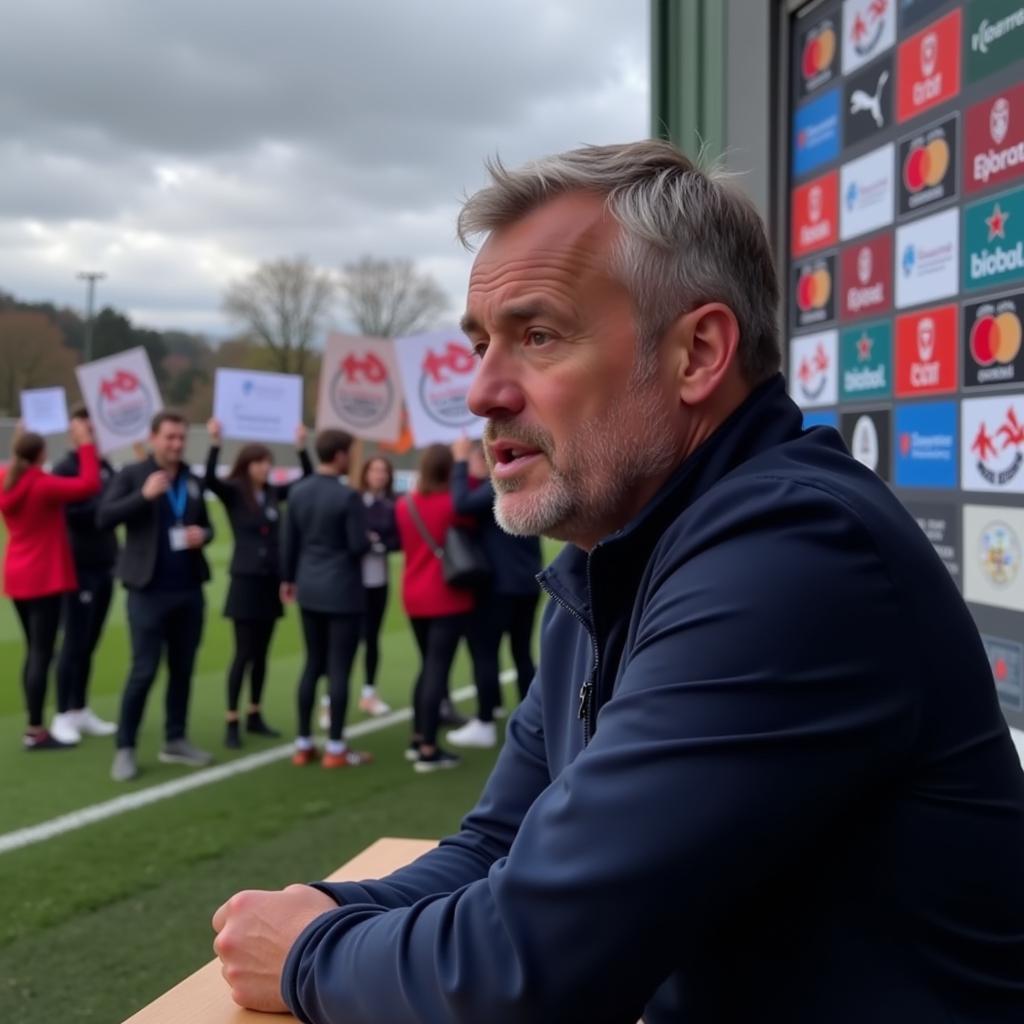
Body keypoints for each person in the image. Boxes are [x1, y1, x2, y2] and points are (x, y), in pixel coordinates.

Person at [213, 141, 1024, 1022]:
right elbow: (497, 845)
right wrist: (327, 911)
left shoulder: (794, 552)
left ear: (698, 353)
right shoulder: (610, 561)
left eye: (537, 335)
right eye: (480, 344)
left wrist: (305, 954)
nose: (480, 392)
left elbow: (522, 970)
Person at [98, 411, 215, 782]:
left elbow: (207, 524)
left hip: (188, 589)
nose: (177, 444)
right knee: (143, 670)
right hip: (147, 591)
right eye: (170, 437)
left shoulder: (192, 480)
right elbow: (104, 517)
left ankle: (175, 739)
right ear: (153, 438)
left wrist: (204, 535)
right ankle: (125, 746)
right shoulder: (132, 475)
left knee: (182, 669)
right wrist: (143, 496)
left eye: (181, 438)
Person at [203, 418, 312, 748]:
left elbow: (305, 479)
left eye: (268, 462)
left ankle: (255, 713)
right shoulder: (235, 492)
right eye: (260, 462)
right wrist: (215, 443)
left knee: (263, 653)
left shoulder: (272, 494)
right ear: (247, 465)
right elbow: (209, 480)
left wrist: (301, 447)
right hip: (245, 582)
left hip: (269, 582)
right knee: (244, 653)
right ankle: (232, 719)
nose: (265, 468)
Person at [0, 419, 100, 749]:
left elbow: (15, 464)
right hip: (44, 576)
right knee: (42, 653)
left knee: (35, 651)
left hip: (18, 573)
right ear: (42, 455)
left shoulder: (6, 479)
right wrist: (86, 442)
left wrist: (18, 442)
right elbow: (88, 484)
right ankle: (35, 731)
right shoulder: (42, 484)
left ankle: (34, 726)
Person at [281, 429, 372, 769]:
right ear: (339, 456)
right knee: (339, 670)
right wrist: (370, 538)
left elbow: (288, 541)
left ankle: (303, 743)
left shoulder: (298, 490)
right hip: (342, 590)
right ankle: (335, 746)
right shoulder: (348, 497)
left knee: (312, 664)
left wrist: (288, 579)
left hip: (310, 587)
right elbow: (357, 545)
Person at [448, 437, 542, 748]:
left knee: (485, 652)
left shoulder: (499, 484)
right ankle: (537, 718)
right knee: (521, 652)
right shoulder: (526, 480)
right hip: (527, 582)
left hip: (499, 586)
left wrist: (460, 463)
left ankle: (485, 721)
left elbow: (461, 503)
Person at [391, 444, 476, 773]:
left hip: (414, 595)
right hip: (445, 596)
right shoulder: (452, 506)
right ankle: (428, 747)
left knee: (427, 666)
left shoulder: (405, 504)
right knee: (436, 670)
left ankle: (417, 738)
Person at [49, 406, 119, 745]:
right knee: (73, 642)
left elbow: (116, 503)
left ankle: (80, 708)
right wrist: (106, 507)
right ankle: (62, 714)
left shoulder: (104, 466)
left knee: (90, 643)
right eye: (87, 431)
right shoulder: (67, 468)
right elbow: (74, 514)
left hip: (106, 564)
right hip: (78, 567)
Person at [355, 455, 400, 716]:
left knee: (372, 638)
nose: (379, 475)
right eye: (374, 470)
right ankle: (329, 700)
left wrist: (377, 543)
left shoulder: (393, 503)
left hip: (378, 580)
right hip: (353, 580)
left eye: (383, 470)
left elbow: (396, 539)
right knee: (347, 640)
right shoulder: (355, 500)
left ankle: (369, 692)